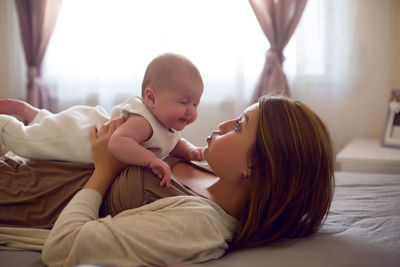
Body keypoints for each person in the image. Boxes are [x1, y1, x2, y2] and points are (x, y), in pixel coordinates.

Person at [0, 95, 335, 266]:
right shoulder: (209, 169)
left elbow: (63, 248)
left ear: (256, 165)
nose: (222, 124)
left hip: (19, 195)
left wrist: (105, 168)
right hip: (23, 159)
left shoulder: (200, 225)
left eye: (238, 126)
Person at [0, 53, 205, 186]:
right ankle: (5, 124)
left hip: (83, 123)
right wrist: (150, 160)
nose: (191, 111)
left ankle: (30, 113)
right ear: (151, 98)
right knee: (29, 143)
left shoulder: (167, 124)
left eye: (195, 104)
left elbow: (173, 142)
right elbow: (118, 143)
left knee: (51, 127)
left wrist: (189, 150)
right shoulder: (144, 122)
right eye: (184, 102)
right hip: (80, 138)